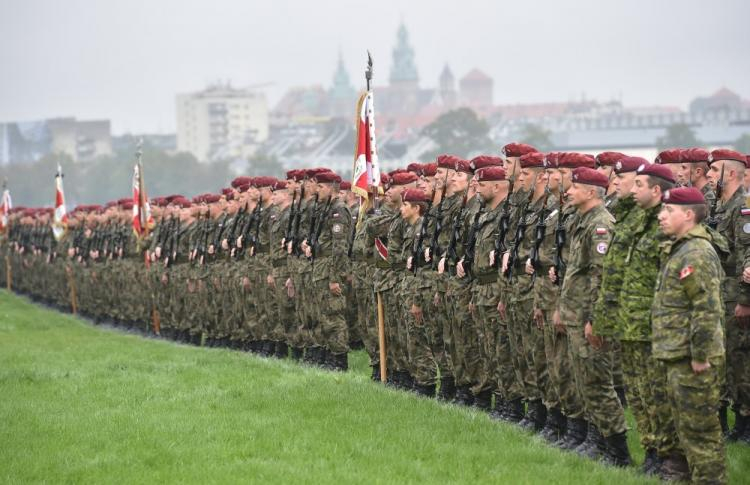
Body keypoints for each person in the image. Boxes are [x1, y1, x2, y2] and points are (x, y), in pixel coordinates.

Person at [552, 167, 631, 466]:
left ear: (590, 192)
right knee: (586, 383)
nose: (568, 191)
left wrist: (595, 320)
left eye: (574, 187)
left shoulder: (601, 226)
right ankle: (597, 442)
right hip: (576, 314)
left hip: (591, 317)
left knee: (599, 385)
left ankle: (618, 452)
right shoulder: (582, 221)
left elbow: (603, 278)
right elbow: (575, 274)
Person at [653, 186, 726, 484]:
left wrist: (700, 356)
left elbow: (706, 308)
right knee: (683, 431)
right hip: (676, 353)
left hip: (693, 359)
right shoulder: (681, 247)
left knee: (701, 435)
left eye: (668, 211)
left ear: (688, 214)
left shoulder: (697, 251)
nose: (661, 216)